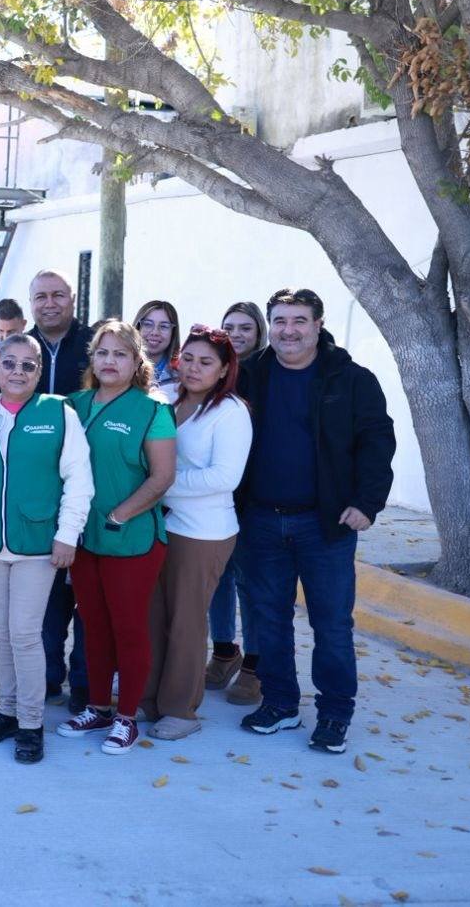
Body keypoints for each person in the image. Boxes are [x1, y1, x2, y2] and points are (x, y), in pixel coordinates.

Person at [236, 289, 394, 755]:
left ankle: (334, 713)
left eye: (299, 320)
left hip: (326, 524)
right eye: (280, 320)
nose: (288, 330)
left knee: (331, 624)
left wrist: (367, 502)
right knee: (268, 619)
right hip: (261, 520)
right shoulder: (249, 376)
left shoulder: (351, 379)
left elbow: (377, 443)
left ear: (318, 323)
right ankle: (281, 703)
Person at [0, 334, 93, 763]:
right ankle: (8, 712)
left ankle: (31, 723)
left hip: (38, 544)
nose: (18, 372)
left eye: (28, 365)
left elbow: (79, 479)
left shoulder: (59, 413)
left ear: (39, 371)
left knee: (24, 633)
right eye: (10, 364)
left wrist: (67, 535)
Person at [56, 321, 177, 756]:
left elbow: (163, 477)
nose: (110, 361)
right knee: (94, 627)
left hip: (132, 539)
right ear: (92, 358)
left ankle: (127, 717)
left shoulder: (152, 410)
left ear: (136, 361)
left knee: (128, 628)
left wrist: (119, 514)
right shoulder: (72, 405)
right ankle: (97, 707)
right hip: (83, 538)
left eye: (120, 354)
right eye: (103, 353)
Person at [139, 326, 253, 740]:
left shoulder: (231, 412)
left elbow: (225, 477)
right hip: (158, 525)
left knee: (186, 622)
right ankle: (147, 698)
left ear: (224, 370)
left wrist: (160, 483)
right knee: (153, 617)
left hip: (203, 532)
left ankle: (180, 710)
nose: (193, 368)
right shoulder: (165, 398)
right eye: (188, 358)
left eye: (206, 362)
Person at [25, 268, 94, 712]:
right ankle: (47, 678)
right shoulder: (20, 349)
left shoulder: (93, 345)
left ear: (71, 298)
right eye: (41, 297)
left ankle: (86, 682)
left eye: (57, 295)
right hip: (34, 491)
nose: (49, 303)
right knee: (45, 595)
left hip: (87, 483)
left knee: (86, 594)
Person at [207, 300, 269, 704]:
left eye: (245, 327)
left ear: (259, 332)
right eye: (229, 326)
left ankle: (254, 666)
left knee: (250, 581)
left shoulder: (268, 373)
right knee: (218, 578)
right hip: (217, 497)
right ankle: (225, 650)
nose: (237, 333)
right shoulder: (217, 373)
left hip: (257, 494)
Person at [135, 300, 182, 402]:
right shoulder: (121, 367)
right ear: (137, 328)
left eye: (164, 326)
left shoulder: (182, 375)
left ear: (173, 333)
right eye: (148, 324)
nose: (155, 332)